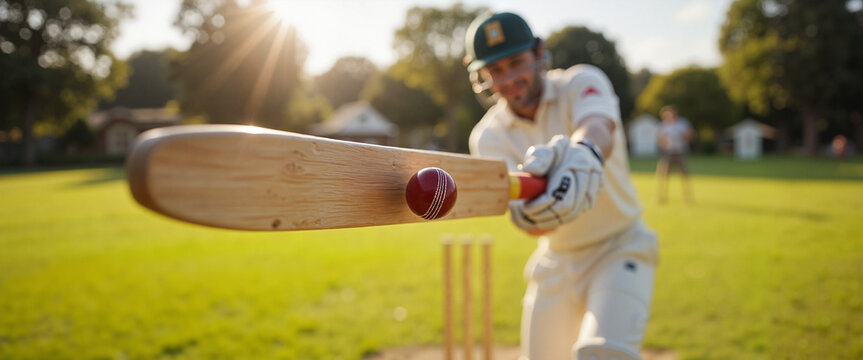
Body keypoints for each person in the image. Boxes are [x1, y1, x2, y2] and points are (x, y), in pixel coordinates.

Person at [463, 11, 658, 360]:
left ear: (539, 53)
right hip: (557, 260)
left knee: (602, 354)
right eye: (496, 70)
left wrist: (583, 153)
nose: (509, 78)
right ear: (481, 74)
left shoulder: (581, 82)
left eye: (516, 62)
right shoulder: (487, 136)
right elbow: (530, 221)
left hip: (621, 246)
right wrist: (531, 216)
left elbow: (597, 126)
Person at [655, 105, 695, 204]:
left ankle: (688, 197)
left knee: (684, 175)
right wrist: (664, 142)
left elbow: (691, 135)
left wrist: (683, 137)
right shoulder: (663, 126)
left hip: (680, 152)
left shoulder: (683, 123)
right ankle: (662, 197)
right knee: (663, 175)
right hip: (668, 153)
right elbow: (659, 139)